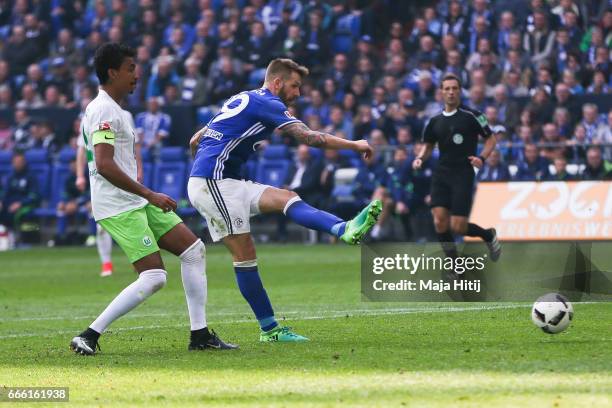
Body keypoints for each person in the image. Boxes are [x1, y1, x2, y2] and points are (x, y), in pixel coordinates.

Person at [188, 58, 381, 342]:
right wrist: (354, 144)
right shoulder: (268, 103)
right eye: (295, 86)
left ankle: (344, 228)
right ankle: (271, 330)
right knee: (245, 256)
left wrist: (207, 169)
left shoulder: (242, 98)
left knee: (287, 198)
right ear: (277, 83)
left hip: (224, 181)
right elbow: (312, 138)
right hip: (216, 183)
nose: (298, 93)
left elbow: (195, 140)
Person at [70, 43, 236, 356]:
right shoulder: (104, 109)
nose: (137, 74)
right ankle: (89, 335)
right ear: (113, 72)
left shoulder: (117, 110)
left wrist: (144, 195)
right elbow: (104, 165)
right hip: (118, 205)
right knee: (155, 276)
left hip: (133, 200)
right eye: (131, 68)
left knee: (193, 250)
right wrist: (149, 194)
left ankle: (199, 335)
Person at [412, 73, 501, 271]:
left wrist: (482, 158)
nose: (451, 92)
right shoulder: (434, 121)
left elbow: (491, 139)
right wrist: (419, 158)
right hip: (441, 173)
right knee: (439, 222)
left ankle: (488, 235)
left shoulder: (473, 116)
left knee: (458, 227)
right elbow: (427, 146)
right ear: (441, 93)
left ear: (460, 92)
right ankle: (454, 266)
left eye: (455, 88)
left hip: (463, 173)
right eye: (447, 89)